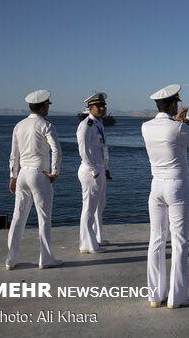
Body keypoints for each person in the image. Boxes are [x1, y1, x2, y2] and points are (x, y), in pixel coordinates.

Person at [141, 84, 189, 308]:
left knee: (156, 240)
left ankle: (155, 296)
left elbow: (168, 134)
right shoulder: (178, 128)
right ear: (173, 104)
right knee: (179, 242)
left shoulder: (146, 127)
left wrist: (178, 122)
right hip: (178, 186)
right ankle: (177, 297)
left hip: (156, 186)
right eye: (177, 103)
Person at [6, 90, 63, 270]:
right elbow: (57, 150)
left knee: (18, 217)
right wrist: (54, 172)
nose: (48, 109)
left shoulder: (19, 125)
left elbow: (13, 154)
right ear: (42, 107)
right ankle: (45, 259)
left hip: (22, 174)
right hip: (39, 174)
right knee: (44, 217)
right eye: (47, 106)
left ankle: (10, 259)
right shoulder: (46, 125)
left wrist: (12, 176)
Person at [77, 91, 111, 254]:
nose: (102, 109)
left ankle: (97, 237)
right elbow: (83, 151)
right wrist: (93, 171)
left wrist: (105, 168)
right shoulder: (86, 126)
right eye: (99, 106)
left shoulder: (98, 124)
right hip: (90, 171)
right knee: (89, 208)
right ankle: (87, 244)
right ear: (90, 108)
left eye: (103, 106)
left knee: (100, 205)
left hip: (100, 168)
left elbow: (101, 148)